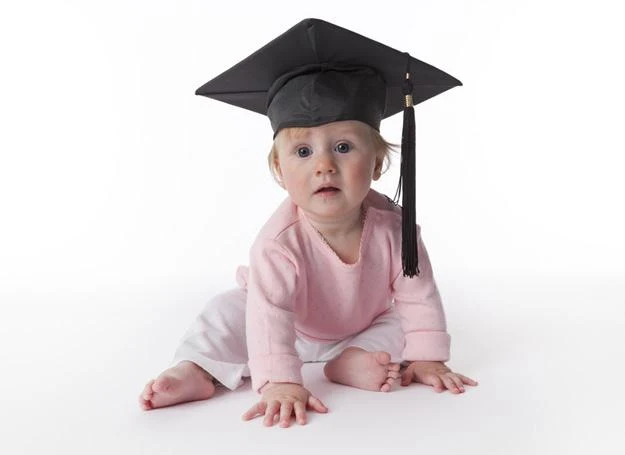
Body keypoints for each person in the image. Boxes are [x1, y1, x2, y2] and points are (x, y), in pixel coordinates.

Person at [138, 18, 478, 428]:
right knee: (227, 312)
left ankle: (349, 362)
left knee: (402, 321)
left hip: (360, 327)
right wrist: (281, 382)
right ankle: (197, 369)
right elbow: (269, 314)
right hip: (285, 329)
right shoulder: (278, 242)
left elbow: (417, 294)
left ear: (376, 164)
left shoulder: (395, 228)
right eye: (303, 152)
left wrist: (427, 357)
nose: (324, 165)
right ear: (280, 172)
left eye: (343, 147)